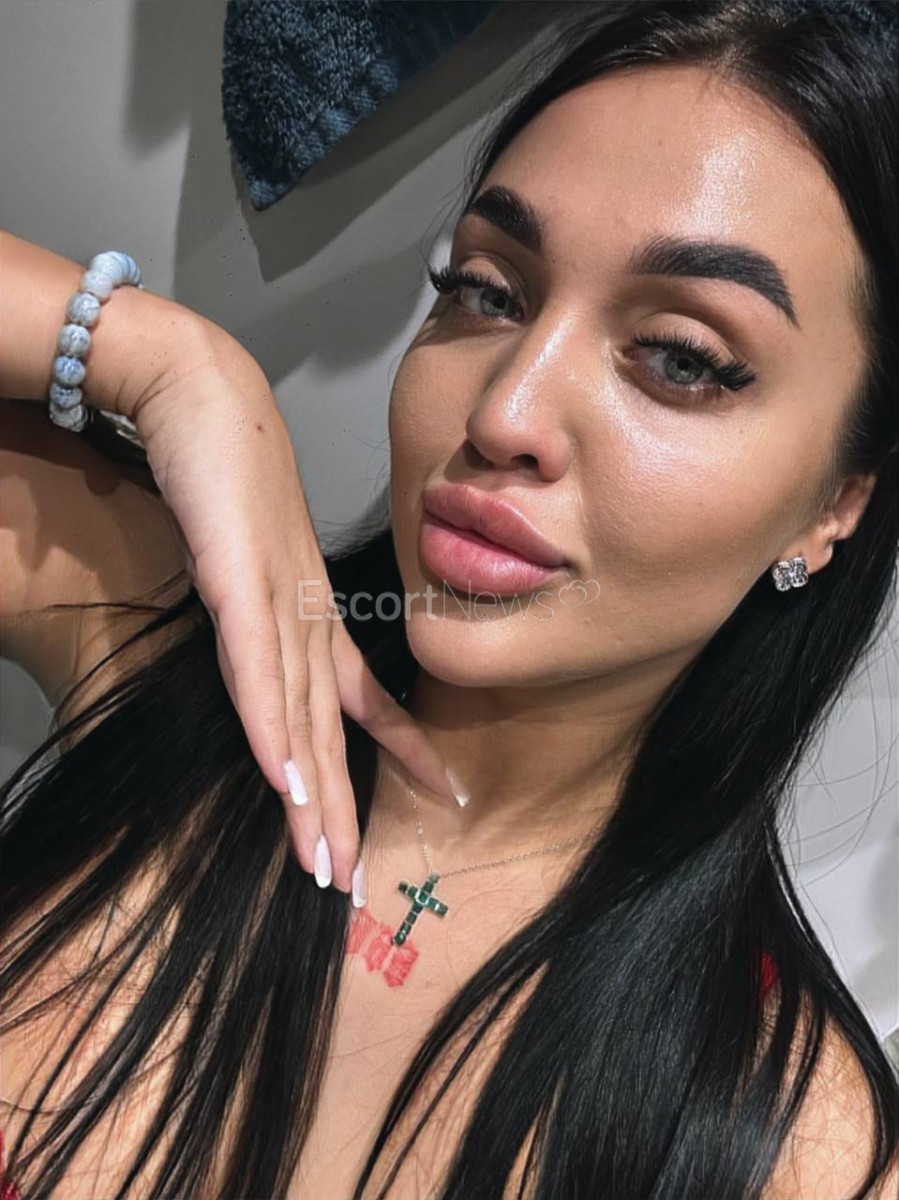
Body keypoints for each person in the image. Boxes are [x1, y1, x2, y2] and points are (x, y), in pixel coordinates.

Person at [1, 0, 898, 1196]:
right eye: (486, 290)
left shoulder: (800, 1149)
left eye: (680, 357)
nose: (502, 412)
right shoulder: (181, 641)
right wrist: (168, 364)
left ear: (833, 502)